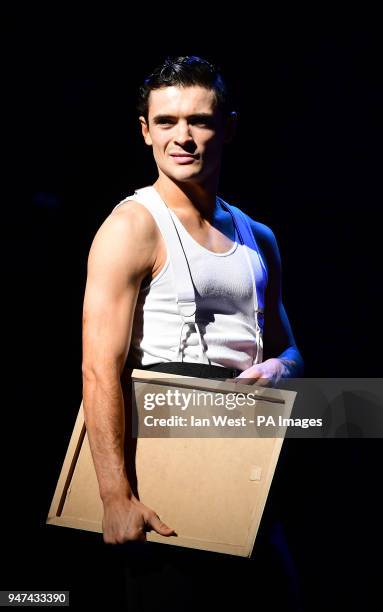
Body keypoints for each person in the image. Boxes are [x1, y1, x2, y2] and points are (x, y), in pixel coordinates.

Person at [81, 55, 304, 609]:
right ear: (145, 132)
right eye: (166, 122)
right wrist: (115, 495)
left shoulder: (258, 236)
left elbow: (291, 347)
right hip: (167, 446)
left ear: (227, 127)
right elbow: (97, 366)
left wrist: (281, 366)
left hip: (245, 443)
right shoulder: (132, 225)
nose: (182, 137)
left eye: (199, 121)